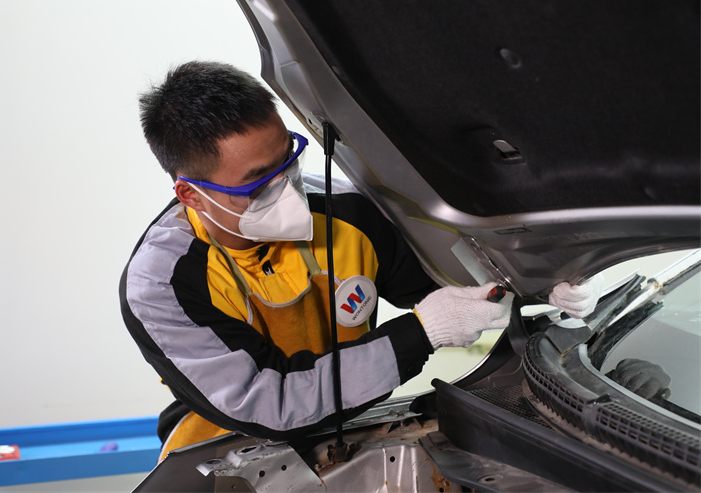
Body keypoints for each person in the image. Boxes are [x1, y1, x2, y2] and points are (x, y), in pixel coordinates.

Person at [119, 61, 601, 460]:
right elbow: (271, 403)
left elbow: (451, 285)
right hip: (224, 454)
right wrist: (421, 334)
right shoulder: (161, 284)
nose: (287, 189)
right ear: (192, 194)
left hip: (347, 429)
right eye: (259, 181)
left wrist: (537, 283)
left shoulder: (348, 213)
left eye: (289, 159)